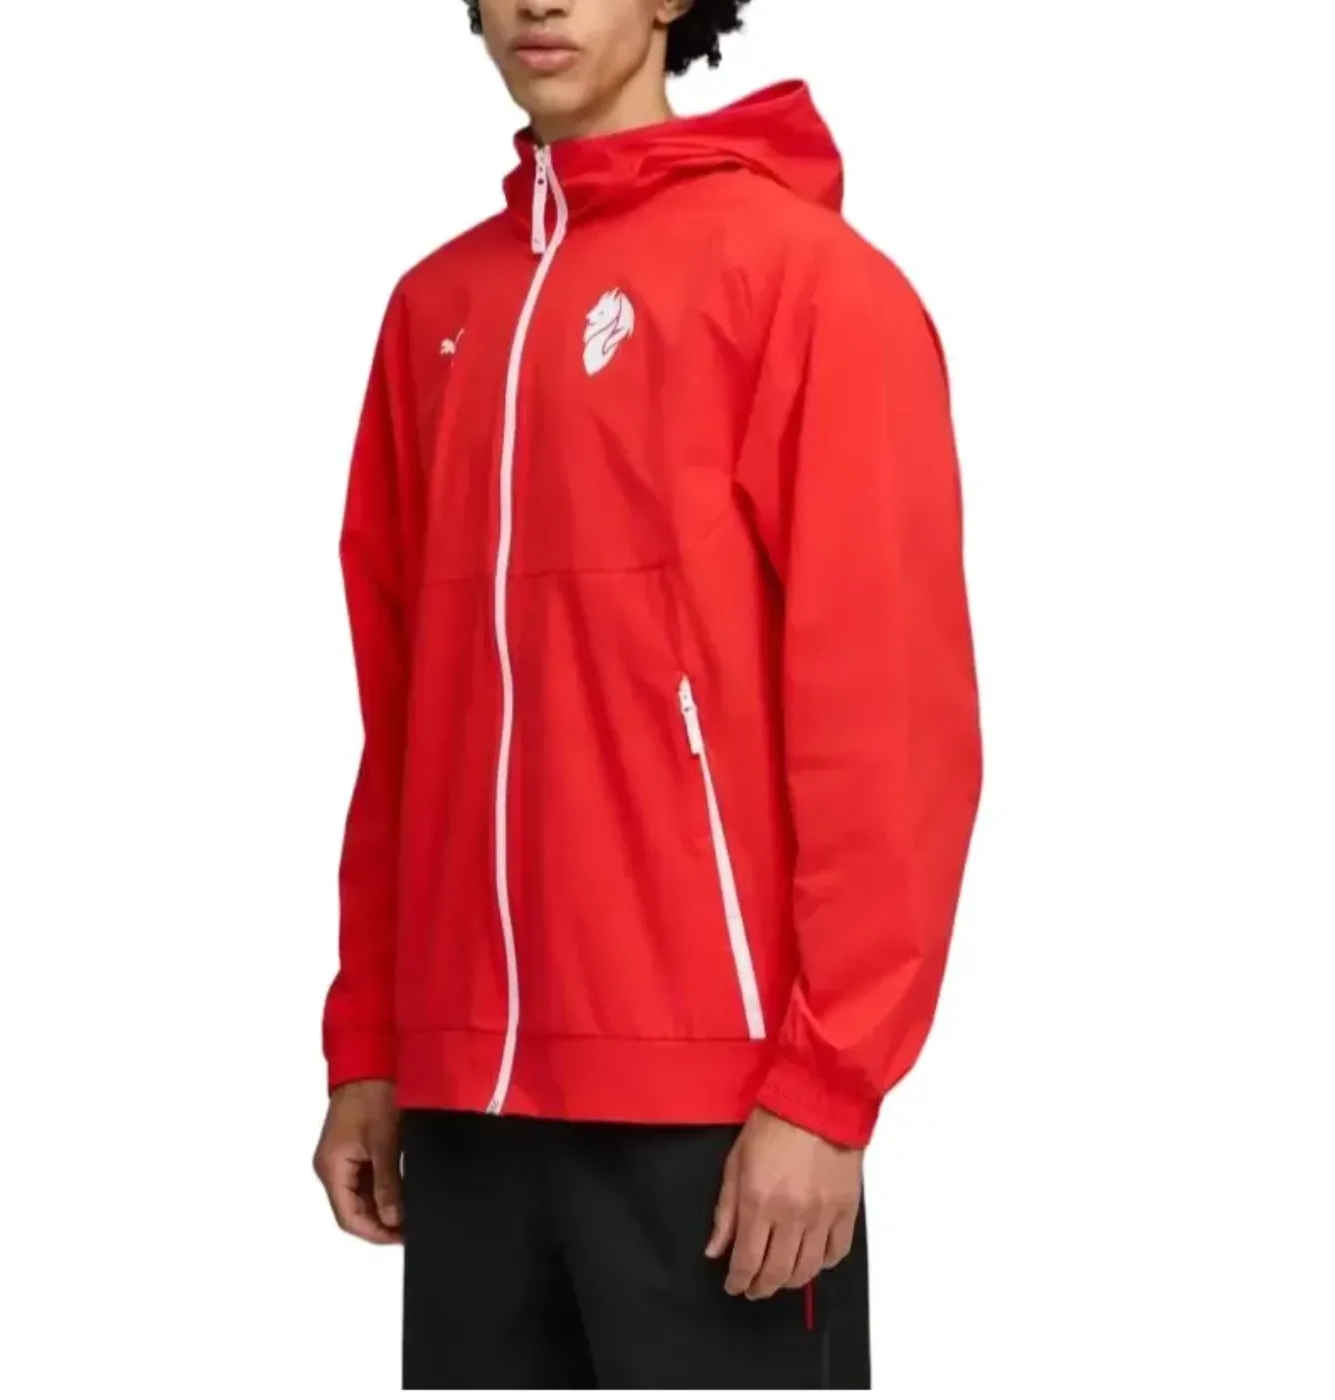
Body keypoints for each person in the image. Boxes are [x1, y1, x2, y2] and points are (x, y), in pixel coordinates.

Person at [313, 0, 982, 1387]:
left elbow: (892, 727)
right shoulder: (436, 311)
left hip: (718, 1112)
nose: (539, 2)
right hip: (466, 1100)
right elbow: (403, 725)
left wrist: (830, 1087)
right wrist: (371, 1039)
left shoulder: (807, 284)